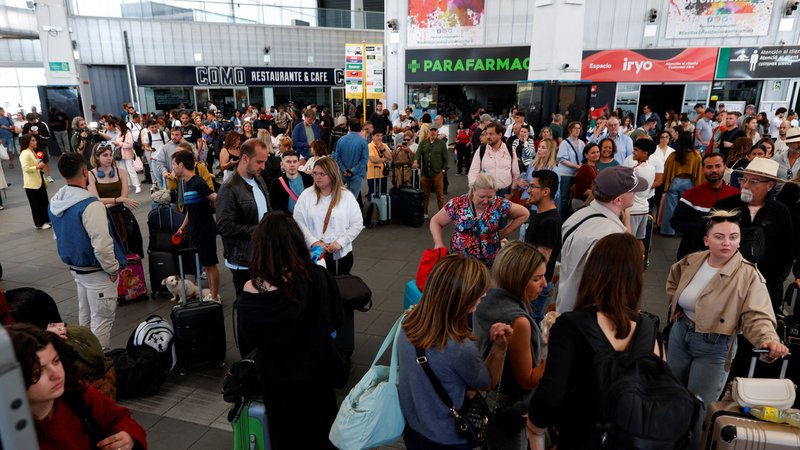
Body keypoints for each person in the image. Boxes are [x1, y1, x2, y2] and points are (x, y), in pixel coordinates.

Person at [529, 233, 660, 449]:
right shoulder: (648, 328)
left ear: (593, 270)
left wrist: (535, 433)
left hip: (580, 438)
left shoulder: (569, 326)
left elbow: (550, 396)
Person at [234, 211, 343, 450]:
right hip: (318, 378)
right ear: (297, 243)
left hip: (277, 385)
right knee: (324, 436)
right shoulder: (320, 278)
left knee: (285, 438)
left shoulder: (251, 292)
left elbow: (247, 344)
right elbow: (336, 321)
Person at [666, 210, 789, 417]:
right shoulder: (693, 261)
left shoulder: (748, 275)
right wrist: (677, 307)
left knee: (698, 410)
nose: (727, 243)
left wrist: (767, 338)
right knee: (670, 396)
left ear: (740, 241)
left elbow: (757, 313)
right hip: (680, 334)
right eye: (719, 237)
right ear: (706, 240)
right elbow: (674, 281)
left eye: (733, 237)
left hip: (714, 347)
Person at [398, 253, 513, 449]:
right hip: (446, 437)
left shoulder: (407, 323)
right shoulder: (461, 348)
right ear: (463, 301)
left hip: (413, 426)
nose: (482, 298)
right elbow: (487, 382)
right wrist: (500, 348)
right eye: (478, 297)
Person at [6, 323, 147, 450]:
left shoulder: (76, 393)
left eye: (56, 361)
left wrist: (127, 436)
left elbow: (119, 418)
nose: (56, 374)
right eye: (39, 371)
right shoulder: (9, 432)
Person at [49, 153, 126, 349]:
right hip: (97, 272)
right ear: (85, 171)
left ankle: (84, 358)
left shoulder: (56, 200)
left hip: (77, 269)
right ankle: (98, 365)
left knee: (85, 317)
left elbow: (58, 235)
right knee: (101, 320)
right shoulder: (91, 205)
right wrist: (112, 268)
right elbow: (101, 244)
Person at [473, 242, 547, 448]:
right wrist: (557, 355)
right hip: (509, 410)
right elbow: (527, 380)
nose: (545, 284)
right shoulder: (519, 321)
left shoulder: (485, 300)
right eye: (537, 278)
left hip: (485, 402)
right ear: (518, 281)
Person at [558, 166, 648, 313]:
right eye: (632, 191)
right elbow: (616, 287)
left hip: (568, 305)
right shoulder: (612, 236)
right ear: (618, 200)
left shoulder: (577, 216)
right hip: (590, 318)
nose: (635, 194)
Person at [715, 158, 795, 310]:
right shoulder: (725, 206)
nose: (745, 185)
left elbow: (788, 250)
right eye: (743, 179)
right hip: (724, 280)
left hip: (764, 284)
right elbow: (703, 240)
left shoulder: (780, 212)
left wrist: (777, 277)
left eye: (754, 182)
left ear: (769, 185)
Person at [430, 173, 530, 265]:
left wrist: (505, 232)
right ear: (473, 191)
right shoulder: (458, 204)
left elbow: (524, 214)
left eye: (490, 196)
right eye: (481, 196)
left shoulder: (499, 204)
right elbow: (436, 221)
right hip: (461, 262)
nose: (486, 201)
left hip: (489, 261)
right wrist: (438, 243)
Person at [216, 138, 270, 298]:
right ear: (245, 158)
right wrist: (260, 230)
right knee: (247, 307)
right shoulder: (228, 188)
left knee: (261, 304)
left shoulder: (258, 179)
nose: (263, 166)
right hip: (243, 261)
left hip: (260, 256)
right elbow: (224, 226)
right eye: (259, 162)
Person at [294, 157, 364, 276]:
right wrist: (313, 242)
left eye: (322, 174)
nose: (317, 177)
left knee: (339, 289)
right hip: (314, 254)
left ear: (332, 175)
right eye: (315, 173)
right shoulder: (306, 195)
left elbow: (357, 224)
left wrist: (340, 242)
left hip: (340, 255)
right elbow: (298, 221)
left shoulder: (346, 196)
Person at [670, 153, 739, 260]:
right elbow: (676, 222)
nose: (714, 170)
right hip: (692, 254)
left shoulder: (735, 195)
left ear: (724, 167)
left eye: (718, 166)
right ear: (703, 169)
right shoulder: (691, 195)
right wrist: (706, 231)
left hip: (726, 257)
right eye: (709, 167)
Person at [172, 150, 221, 303]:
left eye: (174, 164)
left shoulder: (197, 182)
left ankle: (214, 296)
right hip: (196, 229)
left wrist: (215, 212)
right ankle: (212, 294)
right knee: (206, 264)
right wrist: (183, 226)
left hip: (205, 228)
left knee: (210, 264)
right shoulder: (186, 183)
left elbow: (216, 198)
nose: (172, 168)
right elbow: (190, 210)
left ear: (181, 164)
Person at [524, 170, 561, 323]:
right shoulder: (541, 215)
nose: (528, 191)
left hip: (536, 287)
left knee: (532, 323)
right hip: (534, 284)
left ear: (546, 191)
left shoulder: (549, 222)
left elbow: (541, 261)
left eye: (533, 186)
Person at [659, 133, 704, 236]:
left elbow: (667, 169)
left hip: (675, 181)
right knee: (687, 208)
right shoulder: (696, 155)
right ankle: (685, 230)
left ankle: (668, 230)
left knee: (670, 207)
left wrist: (666, 184)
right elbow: (699, 172)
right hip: (689, 183)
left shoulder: (674, 155)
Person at [468, 122, 520, 197]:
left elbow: (516, 173)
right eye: (487, 134)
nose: (488, 136)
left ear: (500, 135)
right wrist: (475, 190)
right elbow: (473, 172)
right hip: (485, 193)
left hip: (505, 192)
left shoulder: (509, 149)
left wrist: (512, 192)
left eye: (491, 134)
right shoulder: (481, 150)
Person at [625, 139, 657, 255]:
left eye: (636, 150)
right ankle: (640, 264)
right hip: (644, 208)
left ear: (645, 153)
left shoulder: (637, 170)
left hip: (633, 210)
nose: (633, 152)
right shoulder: (651, 167)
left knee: (629, 243)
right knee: (639, 240)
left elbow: (626, 188)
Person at [414, 124, 450, 216]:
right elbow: (418, 154)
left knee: (440, 195)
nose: (433, 132)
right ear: (428, 132)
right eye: (431, 130)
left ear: (437, 132)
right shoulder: (423, 143)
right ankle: (425, 212)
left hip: (437, 173)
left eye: (434, 130)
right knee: (425, 195)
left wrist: (443, 170)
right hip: (425, 174)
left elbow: (446, 158)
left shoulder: (441, 143)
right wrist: (415, 162)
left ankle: (441, 214)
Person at [333, 118, 369, 205]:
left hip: (342, 174)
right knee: (352, 201)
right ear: (360, 128)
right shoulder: (363, 142)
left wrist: (344, 170)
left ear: (349, 127)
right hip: (357, 175)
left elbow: (337, 158)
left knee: (340, 199)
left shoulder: (341, 140)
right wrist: (352, 171)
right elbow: (364, 160)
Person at [19, 134, 52, 229]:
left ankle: (46, 219)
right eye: (33, 140)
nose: (36, 142)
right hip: (31, 184)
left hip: (38, 180)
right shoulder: (25, 153)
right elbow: (26, 168)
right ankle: (39, 223)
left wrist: (39, 166)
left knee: (43, 201)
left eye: (35, 140)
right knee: (36, 204)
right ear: (28, 142)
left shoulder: (32, 152)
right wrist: (37, 167)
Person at [556, 121, 585, 217]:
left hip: (577, 174)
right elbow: (561, 159)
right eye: (575, 128)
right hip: (566, 173)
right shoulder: (565, 143)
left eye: (579, 128)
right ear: (570, 129)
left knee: (574, 198)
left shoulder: (581, 143)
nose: (577, 130)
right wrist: (577, 166)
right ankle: (561, 220)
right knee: (564, 198)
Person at [570, 143, 600, 211]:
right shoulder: (585, 169)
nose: (596, 154)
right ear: (586, 155)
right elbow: (581, 191)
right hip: (581, 202)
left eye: (598, 152)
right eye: (593, 153)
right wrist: (599, 192)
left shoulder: (593, 166)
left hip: (588, 201)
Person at [366, 131, 392, 198]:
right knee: (372, 195)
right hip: (372, 175)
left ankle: (382, 208)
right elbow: (374, 160)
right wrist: (384, 159)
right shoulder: (369, 146)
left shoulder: (384, 145)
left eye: (381, 136)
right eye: (377, 136)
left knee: (383, 195)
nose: (379, 138)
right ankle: (371, 208)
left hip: (383, 175)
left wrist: (382, 149)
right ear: (372, 136)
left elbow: (390, 157)